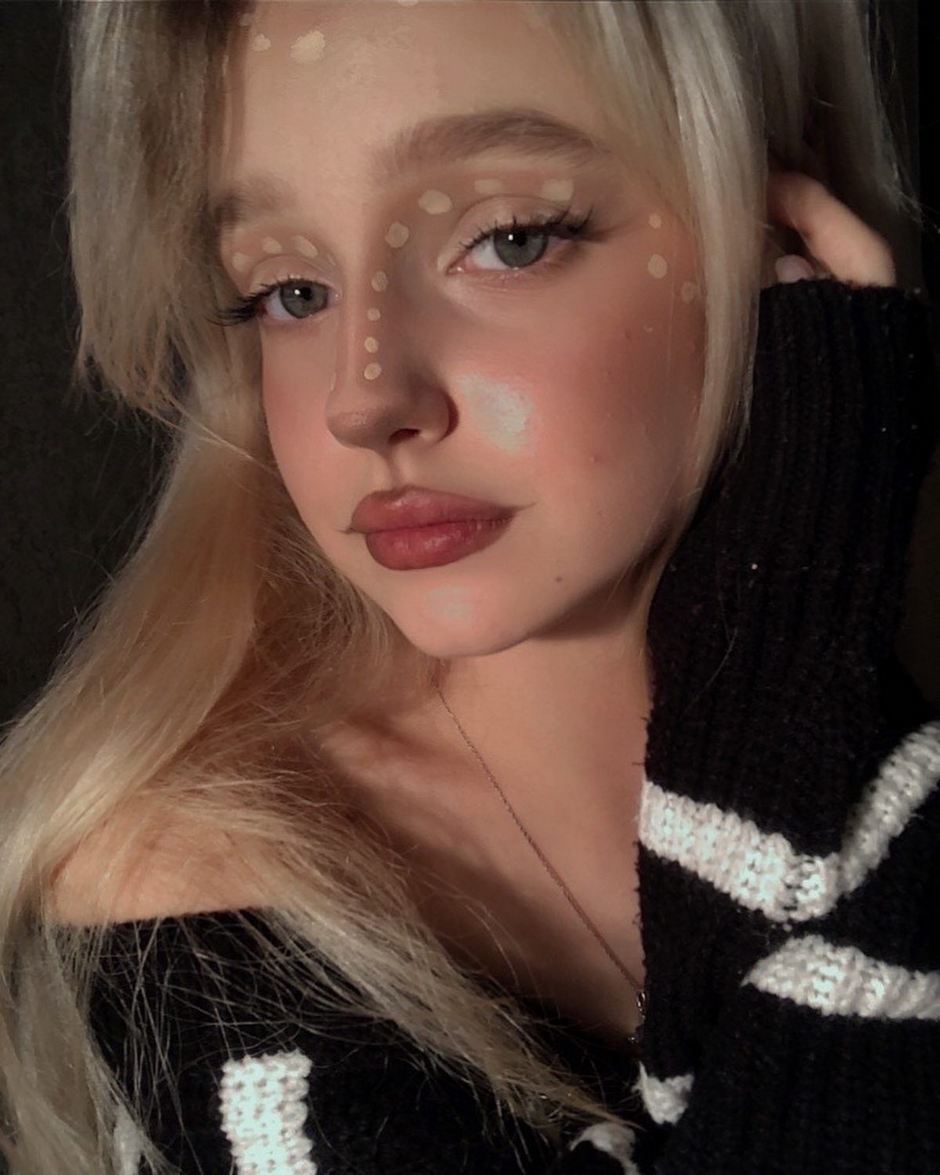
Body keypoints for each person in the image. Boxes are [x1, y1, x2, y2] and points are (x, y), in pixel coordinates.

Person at [0, 1, 937, 1172]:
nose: (364, 398)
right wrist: (788, 641)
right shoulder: (191, 904)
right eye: (289, 289)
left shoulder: (895, 762)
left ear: (772, 239)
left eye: (510, 238)